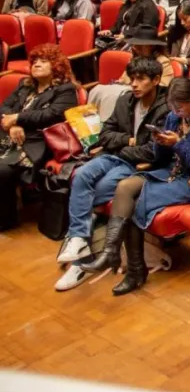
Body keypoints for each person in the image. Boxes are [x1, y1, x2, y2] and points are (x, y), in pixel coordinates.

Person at [79, 76, 190, 295]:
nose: (175, 111)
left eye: (180, 106)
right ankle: (111, 251)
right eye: (172, 106)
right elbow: (160, 159)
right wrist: (160, 143)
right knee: (125, 187)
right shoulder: (173, 117)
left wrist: (179, 143)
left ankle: (135, 272)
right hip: (167, 172)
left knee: (134, 203)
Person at [55, 57, 170, 287]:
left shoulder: (166, 108)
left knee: (94, 192)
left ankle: (81, 261)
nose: (134, 84)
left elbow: (152, 152)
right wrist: (129, 140)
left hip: (135, 166)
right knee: (81, 176)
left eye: (141, 79)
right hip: (113, 156)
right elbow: (104, 134)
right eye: (132, 79)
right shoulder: (126, 100)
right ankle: (79, 239)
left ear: (156, 80)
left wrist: (122, 147)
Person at [0, 44, 81, 230]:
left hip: (38, 144)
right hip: (10, 137)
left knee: (1, 170)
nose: (36, 64)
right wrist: (14, 124)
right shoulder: (24, 85)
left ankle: (5, 220)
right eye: (34, 61)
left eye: (43, 61)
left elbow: (52, 114)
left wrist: (18, 117)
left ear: (56, 66)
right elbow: (4, 107)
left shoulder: (66, 90)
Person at [88, 25, 174, 120]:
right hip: (127, 90)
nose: (135, 47)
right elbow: (123, 79)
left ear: (150, 46)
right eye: (135, 44)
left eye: (139, 45)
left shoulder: (162, 61)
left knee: (113, 94)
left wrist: (133, 86)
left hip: (145, 96)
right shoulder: (134, 60)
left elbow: (163, 87)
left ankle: (106, 121)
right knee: (98, 89)